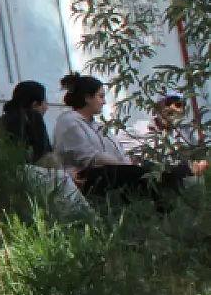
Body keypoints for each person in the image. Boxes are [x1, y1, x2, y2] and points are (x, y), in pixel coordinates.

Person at [52, 74, 204, 201]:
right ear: (87, 98)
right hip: (91, 176)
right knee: (150, 177)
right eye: (101, 96)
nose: (104, 102)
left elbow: (119, 152)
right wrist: (127, 166)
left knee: (163, 179)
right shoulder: (69, 121)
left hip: (113, 172)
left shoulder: (97, 126)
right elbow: (90, 157)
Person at [0, 80, 53, 164]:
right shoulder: (33, 116)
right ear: (35, 105)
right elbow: (47, 159)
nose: (46, 108)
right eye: (45, 103)